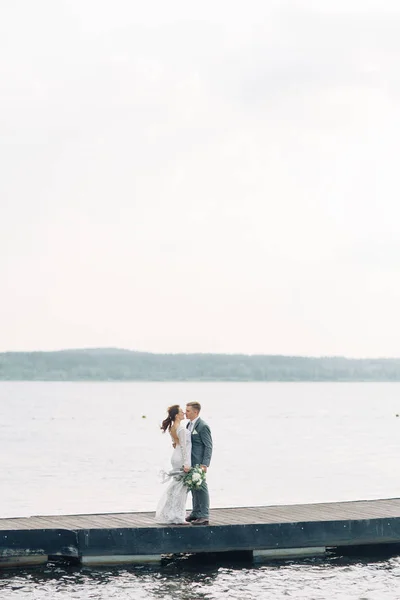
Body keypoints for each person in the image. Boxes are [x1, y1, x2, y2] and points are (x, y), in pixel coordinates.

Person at [155, 405, 192, 524]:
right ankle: (178, 515)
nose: (184, 413)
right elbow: (184, 448)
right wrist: (186, 463)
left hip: (175, 456)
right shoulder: (180, 429)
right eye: (181, 412)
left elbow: (175, 443)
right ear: (176, 415)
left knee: (177, 485)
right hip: (181, 457)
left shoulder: (172, 427)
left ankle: (171, 512)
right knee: (182, 487)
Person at [185, 401, 213, 525]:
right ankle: (196, 512)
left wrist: (205, 464)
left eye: (188, 411)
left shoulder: (203, 426)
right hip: (190, 462)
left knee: (201, 487)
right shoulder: (188, 425)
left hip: (199, 462)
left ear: (195, 412)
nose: (186, 412)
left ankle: (204, 515)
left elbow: (208, 446)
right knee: (193, 486)